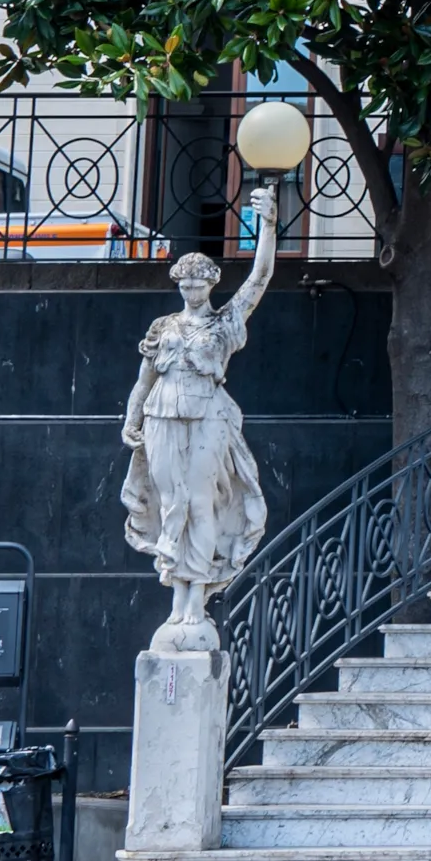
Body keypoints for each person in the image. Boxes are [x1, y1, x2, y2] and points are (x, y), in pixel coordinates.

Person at [120, 206, 280, 642]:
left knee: (200, 503)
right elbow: (144, 379)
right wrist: (131, 418)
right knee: (171, 502)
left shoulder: (224, 321)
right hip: (162, 415)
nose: (190, 288)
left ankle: (196, 597)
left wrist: (267, 227)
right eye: (184, 282)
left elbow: (259, 280)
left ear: (211, 283)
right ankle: (177, 591)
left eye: (199, 282)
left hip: (208, 414)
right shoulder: (163, 326)